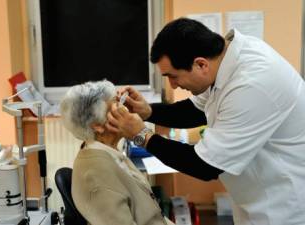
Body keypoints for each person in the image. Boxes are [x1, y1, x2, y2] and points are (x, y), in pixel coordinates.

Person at [106, 18, 305, 225]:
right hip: (257, 198)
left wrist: (141, 136)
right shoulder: (225, 61)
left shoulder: (252, 84)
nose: (173, 86)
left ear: (200, 64)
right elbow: (195, 111)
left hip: (285, 208)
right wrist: (147, 112)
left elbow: (205, 166)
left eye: (173, 76)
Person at [60, 80, 174, 225]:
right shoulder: (96, 175)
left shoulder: (110, 153)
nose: (126, 111)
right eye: (117, 106)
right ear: (98, 126)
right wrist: (143, 134)